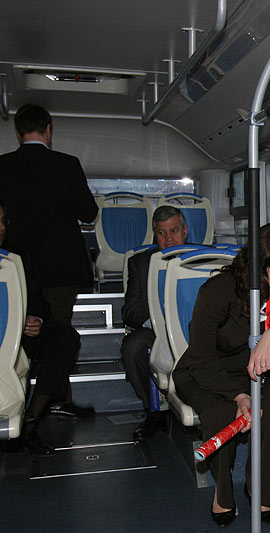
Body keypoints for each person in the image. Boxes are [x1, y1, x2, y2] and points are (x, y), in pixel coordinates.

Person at [172, 221, 270, 528]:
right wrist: (239, 396)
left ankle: (258, 486)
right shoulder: (217, 292)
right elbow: (201, 359)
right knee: (220, 414)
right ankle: (223, 492)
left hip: (265, 369)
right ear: (259, 268)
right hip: (210, 370)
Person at [0, 198, 90, 457]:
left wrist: (34, 318)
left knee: (64, 338)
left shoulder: (16, 256)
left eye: (3, 222)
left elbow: (37, 298)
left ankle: (30, 421)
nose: (2, 228)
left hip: (17, 334)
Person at [0, 104, 98, 327]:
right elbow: (88, 213)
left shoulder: (3, 166)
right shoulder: (67, 165)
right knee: (58, 330)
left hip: (16, 262)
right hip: (61, 265)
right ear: (48, 129)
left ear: (18, 133)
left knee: (15, 323)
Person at [121, 205, 188, 441]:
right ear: (154, 234)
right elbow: (130, 311)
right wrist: (159, 324)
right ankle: (154, 412)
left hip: (197, 328)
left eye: (174, 231)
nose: (169, 238)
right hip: (157, 331)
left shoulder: (204, 258)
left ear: (185, 231)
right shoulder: (140, 263)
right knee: (133, 346)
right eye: (162, 233)